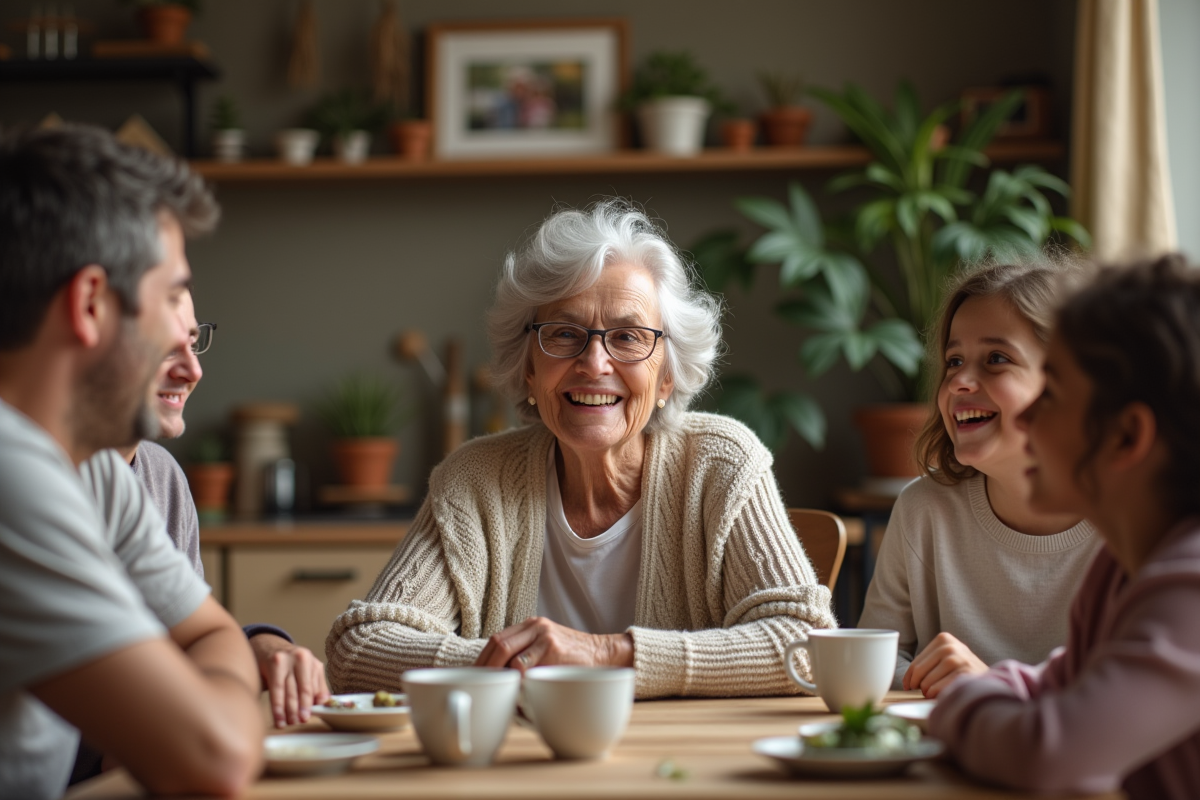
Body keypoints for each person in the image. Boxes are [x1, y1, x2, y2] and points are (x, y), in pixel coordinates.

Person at [327, 200, 837, 698]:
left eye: (628, 337)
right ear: (528, 369)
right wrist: (515, 662)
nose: (594, 363)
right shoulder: (475, 480)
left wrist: (604, 655)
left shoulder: (720, 464)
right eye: (564, 334)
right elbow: (357, 647)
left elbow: (808, 645)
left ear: (666, 376)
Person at [0, 125, 262, 799]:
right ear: (91, 304)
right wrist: (225, 700)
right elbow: (213, 761)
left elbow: (212, 631)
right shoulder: (10, 469)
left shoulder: (91, 467)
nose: (185, 338)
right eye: (171, 296)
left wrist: (216, 686)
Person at [930, 254, 1200, 799]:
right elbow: (1051, 682)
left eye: (1050, 394)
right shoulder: (1119, 569)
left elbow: (1044, 753)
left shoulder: (1191, 585)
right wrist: (989, 689)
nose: (1027, 420)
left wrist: (960, 703)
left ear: (1126, 437)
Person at [858, 259, 1100, 697]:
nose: (959, 383)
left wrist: (992, 687)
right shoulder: (923, 509)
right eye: (953, 361)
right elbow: (875, 657)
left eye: (996, 359)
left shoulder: (1133, 522)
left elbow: (1142, 691)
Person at [115, 289, 330, 729]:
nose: (193, 370)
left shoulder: (161, 476)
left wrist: (267, 648)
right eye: (163, 345)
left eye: (194, 342)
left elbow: (193, 637)